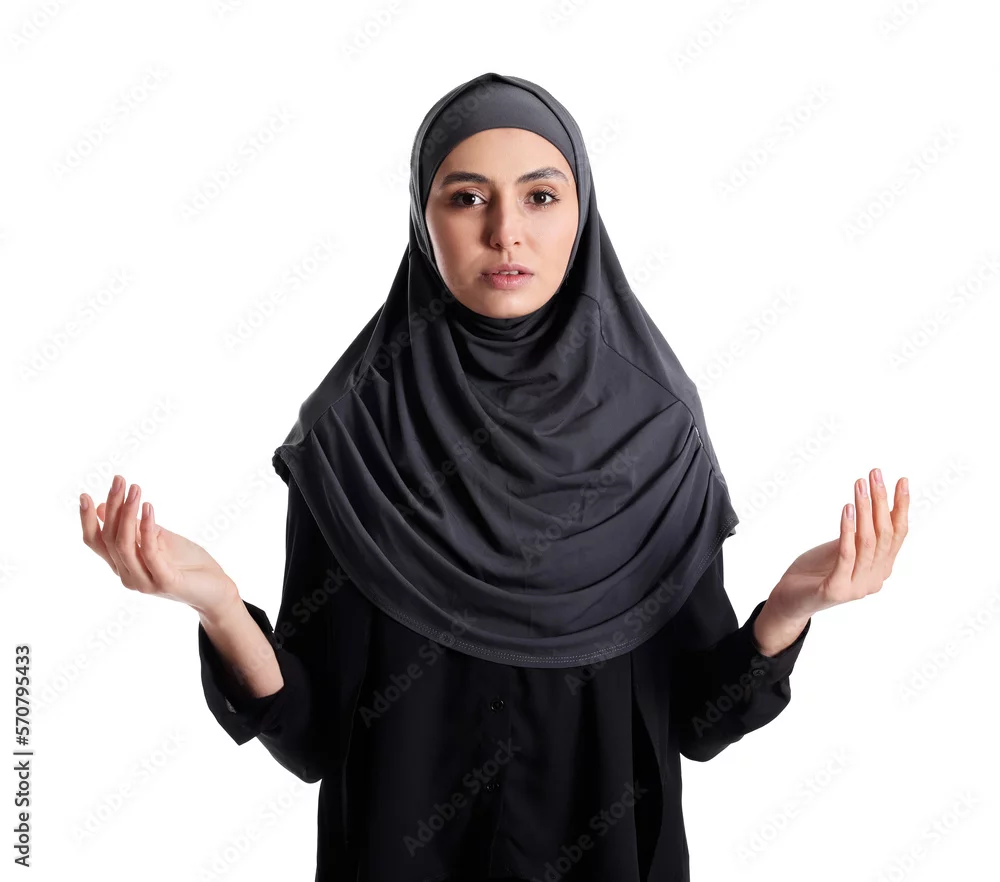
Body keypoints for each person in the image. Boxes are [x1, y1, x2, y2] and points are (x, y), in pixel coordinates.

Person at [79, 72, 909, 882]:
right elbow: (313, 735)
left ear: (583, 212)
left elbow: (697, 719)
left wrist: (791, 607)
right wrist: (220, 606)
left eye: (541, 196)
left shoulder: (655, 431)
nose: (506, 232)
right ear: (422, 216)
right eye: (467, 197)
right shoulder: (352, 434)